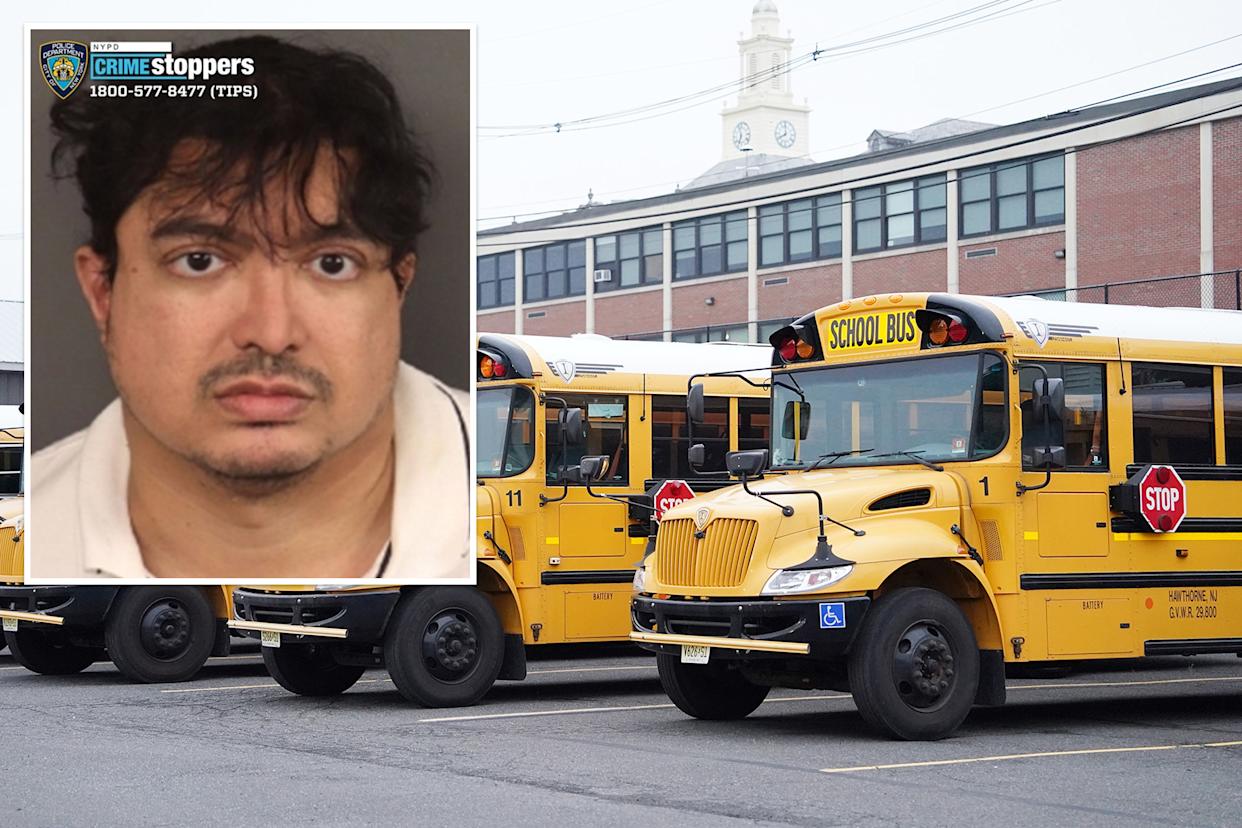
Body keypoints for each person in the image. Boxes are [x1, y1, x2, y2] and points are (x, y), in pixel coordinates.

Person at [31, 36, 470, 579]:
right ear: (103, 291)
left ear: (399, 286)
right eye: (198, 260)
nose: (270, 331)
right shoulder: (22, 533)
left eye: (332, 263)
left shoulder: (510, 494)